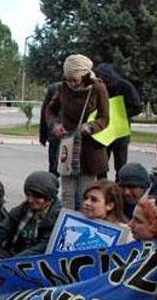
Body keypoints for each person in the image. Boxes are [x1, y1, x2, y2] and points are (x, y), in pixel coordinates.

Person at [45, 54, 110, 210]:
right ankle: (66, 227)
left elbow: (105, 118)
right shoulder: (63, 88)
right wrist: (54, 125)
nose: (72, 84)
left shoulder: (98, 88)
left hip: (90, 150)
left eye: (75, 80)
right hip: (67, 147)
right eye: (68, 79)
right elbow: (50, 110)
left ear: (85, 75)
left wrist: (90, 127)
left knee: (84, 196)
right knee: (67, 195)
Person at [0, 171, 62, 258]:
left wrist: (13, 262)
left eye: (37, 197)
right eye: (28, 195)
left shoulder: (58, 220)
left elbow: (40, 249)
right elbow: (1, 229)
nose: (31, 200)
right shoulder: (24, 208)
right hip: (12, 254)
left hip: (33, 263)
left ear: (49, 197)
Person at [94, 63, 143, 176]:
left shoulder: (125, 86)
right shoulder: (98, 87)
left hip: (120, 132)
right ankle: (103, 187)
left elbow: (137, 107)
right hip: (103, 132)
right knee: (101, 165)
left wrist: (119, 113)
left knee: (121, 166)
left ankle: (120, 188)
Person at [39, 82, 62, 176]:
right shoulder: (55, 88)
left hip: (58, 132)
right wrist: (43, 136)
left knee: (54, 167)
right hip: (56, 132)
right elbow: (45, 111)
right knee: (54, 167)